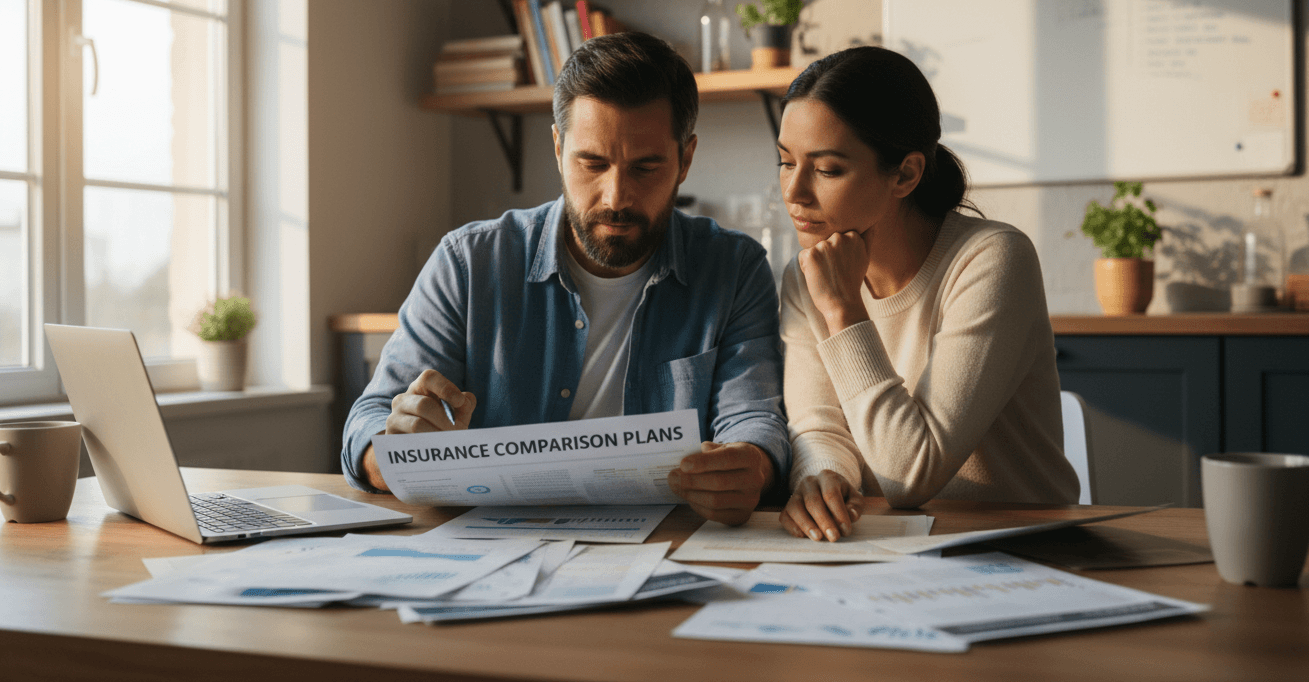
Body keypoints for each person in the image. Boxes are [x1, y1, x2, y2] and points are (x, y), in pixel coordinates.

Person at [341, 32, 788, 525]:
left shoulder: (734, 269)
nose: (616, 196)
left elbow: (755, 420)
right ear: (558, 148)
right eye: (592, 163)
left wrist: (753, 466)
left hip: (669, 541)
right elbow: (369, 420)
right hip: (493, 544)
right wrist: (393, 452)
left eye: (645, 167)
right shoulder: (469, 263)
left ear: (685, 159)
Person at [775, 46, 1078, 542]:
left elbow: (909, 473)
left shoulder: (991, 259)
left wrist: (844, 311)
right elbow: (819, 424)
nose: (794, 191)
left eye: (826, 169)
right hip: (883, 548)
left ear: (906, 174)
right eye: (786, 162)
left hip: (1021, 548)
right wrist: (822, 478)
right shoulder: (805, 274)